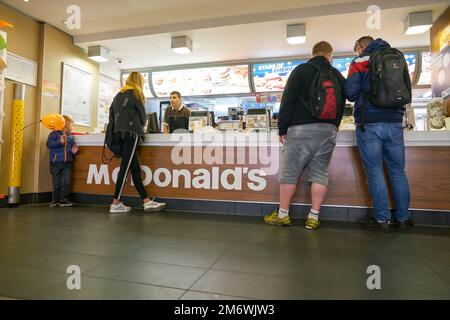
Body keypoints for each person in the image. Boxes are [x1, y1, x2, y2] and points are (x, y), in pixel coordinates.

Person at [264, 41, 346, 230]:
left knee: (290, 174)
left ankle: (283, 215)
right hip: (327, 131)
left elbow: (288, 100)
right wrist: (334, 126)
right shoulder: (337, 75)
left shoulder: (301, 70)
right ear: (329, 55)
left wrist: (282, 128)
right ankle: (313, 217)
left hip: (300, 129)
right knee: (320, 174)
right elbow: (342, 103)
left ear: (313, 53)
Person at [346, 36, 414, 231]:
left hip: (370, 122)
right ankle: (403, 217)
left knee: (375, 172)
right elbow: (406, 89)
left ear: (360, 46)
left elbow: (350, 92)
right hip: (394, 122)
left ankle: (382, 219)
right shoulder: (397, 57)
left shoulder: (359, 61)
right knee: (397, 171)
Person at [109, 71, 166, 213]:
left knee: (134, 168)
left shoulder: (118, 94)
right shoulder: (137, 93)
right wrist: (142, 125)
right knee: (125, 168)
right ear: (139, 81)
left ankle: (146, 201)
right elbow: (143, 116)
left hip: (119, 133)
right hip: (131, 132)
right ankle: (115, 203)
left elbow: (111, 114)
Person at [46, 115, 78, 207]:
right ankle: (55, 200)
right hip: (55, 162)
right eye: (69, 124)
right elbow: (49, 144)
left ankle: (63, 200)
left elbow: (71, 148)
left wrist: (73, 151)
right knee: (56, 182)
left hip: (67, 163)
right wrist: (59, 142)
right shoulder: (54, 134)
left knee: (66, 182)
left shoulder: (71, 137)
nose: (70, 126)